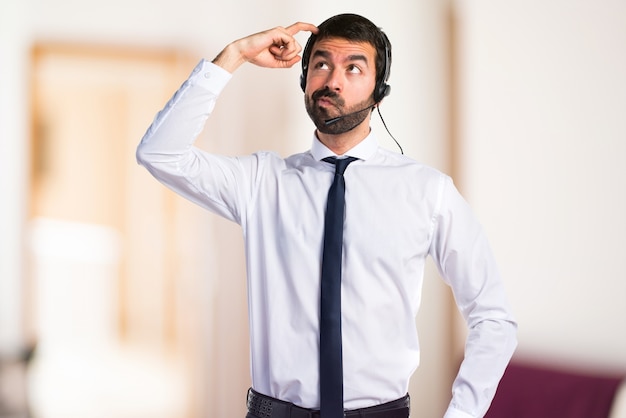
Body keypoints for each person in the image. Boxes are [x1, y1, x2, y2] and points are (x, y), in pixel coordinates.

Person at [136, 13, 517, 418]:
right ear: (304, 81)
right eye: (320, 64)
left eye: (353, 67)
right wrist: (234, 56)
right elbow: (159, 153)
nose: (332, 81)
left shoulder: (428, 191)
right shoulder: (262, 182)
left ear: (379, 92)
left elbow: (493, 318)